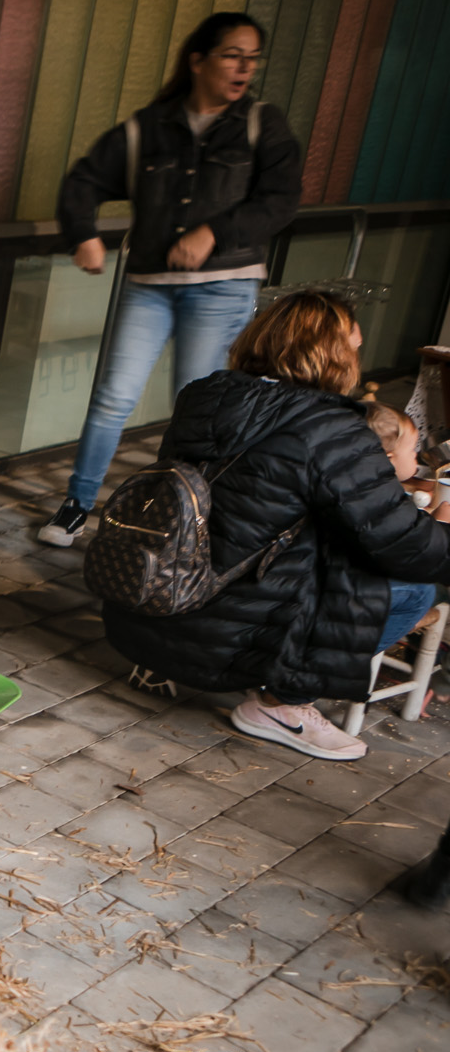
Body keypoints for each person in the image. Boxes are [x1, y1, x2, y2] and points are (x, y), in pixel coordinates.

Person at [105, 291, 450, 762]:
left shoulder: (204, 395)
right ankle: (280, 704)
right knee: (416, 589)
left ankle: (169, 659)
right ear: (330, 353)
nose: (358, 355)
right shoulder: (333, 428)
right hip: (233, 629)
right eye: (353, 346)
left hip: (157, 593)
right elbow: (403, 545)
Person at [40, 12, 302, 548]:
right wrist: (82, 233)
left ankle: (172, 518)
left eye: (253, 58)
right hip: (150, 284)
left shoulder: (261, 124)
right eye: (233, 55)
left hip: (224, 284)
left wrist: (214, 232)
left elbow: (281, 199)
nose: (244, 68)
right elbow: (84, 179)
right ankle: (77, 504)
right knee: (113, 397)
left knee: (194, 406)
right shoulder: (148, 128)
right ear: (198, 61)